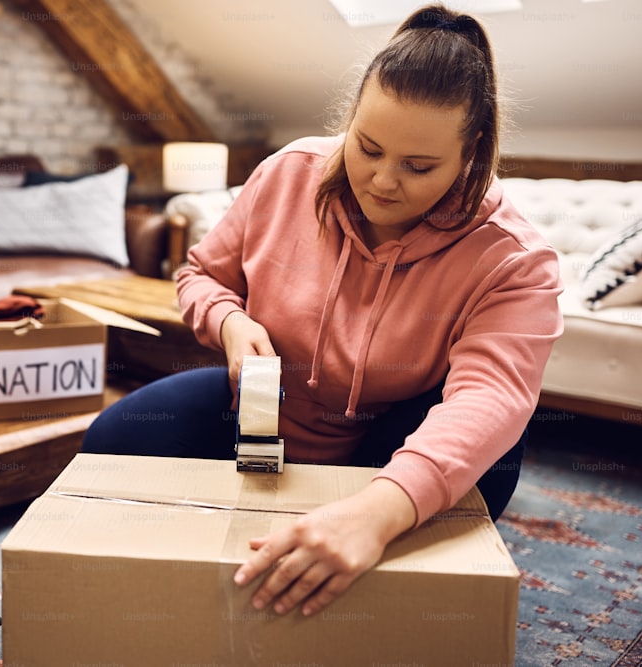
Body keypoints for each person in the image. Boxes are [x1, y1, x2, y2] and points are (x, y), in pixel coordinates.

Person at [82, 2, 562, 618]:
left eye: (419, 167)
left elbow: (490, 400)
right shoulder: (287, 174)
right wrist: (230, 322)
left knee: (493, 460)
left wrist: (377, 513)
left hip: (391, 434)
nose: (384, 182)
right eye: (367, 147)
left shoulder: (514, 257)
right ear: (350, 120)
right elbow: (201, 275)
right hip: (263, 408)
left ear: (471, 155)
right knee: (109, 441)